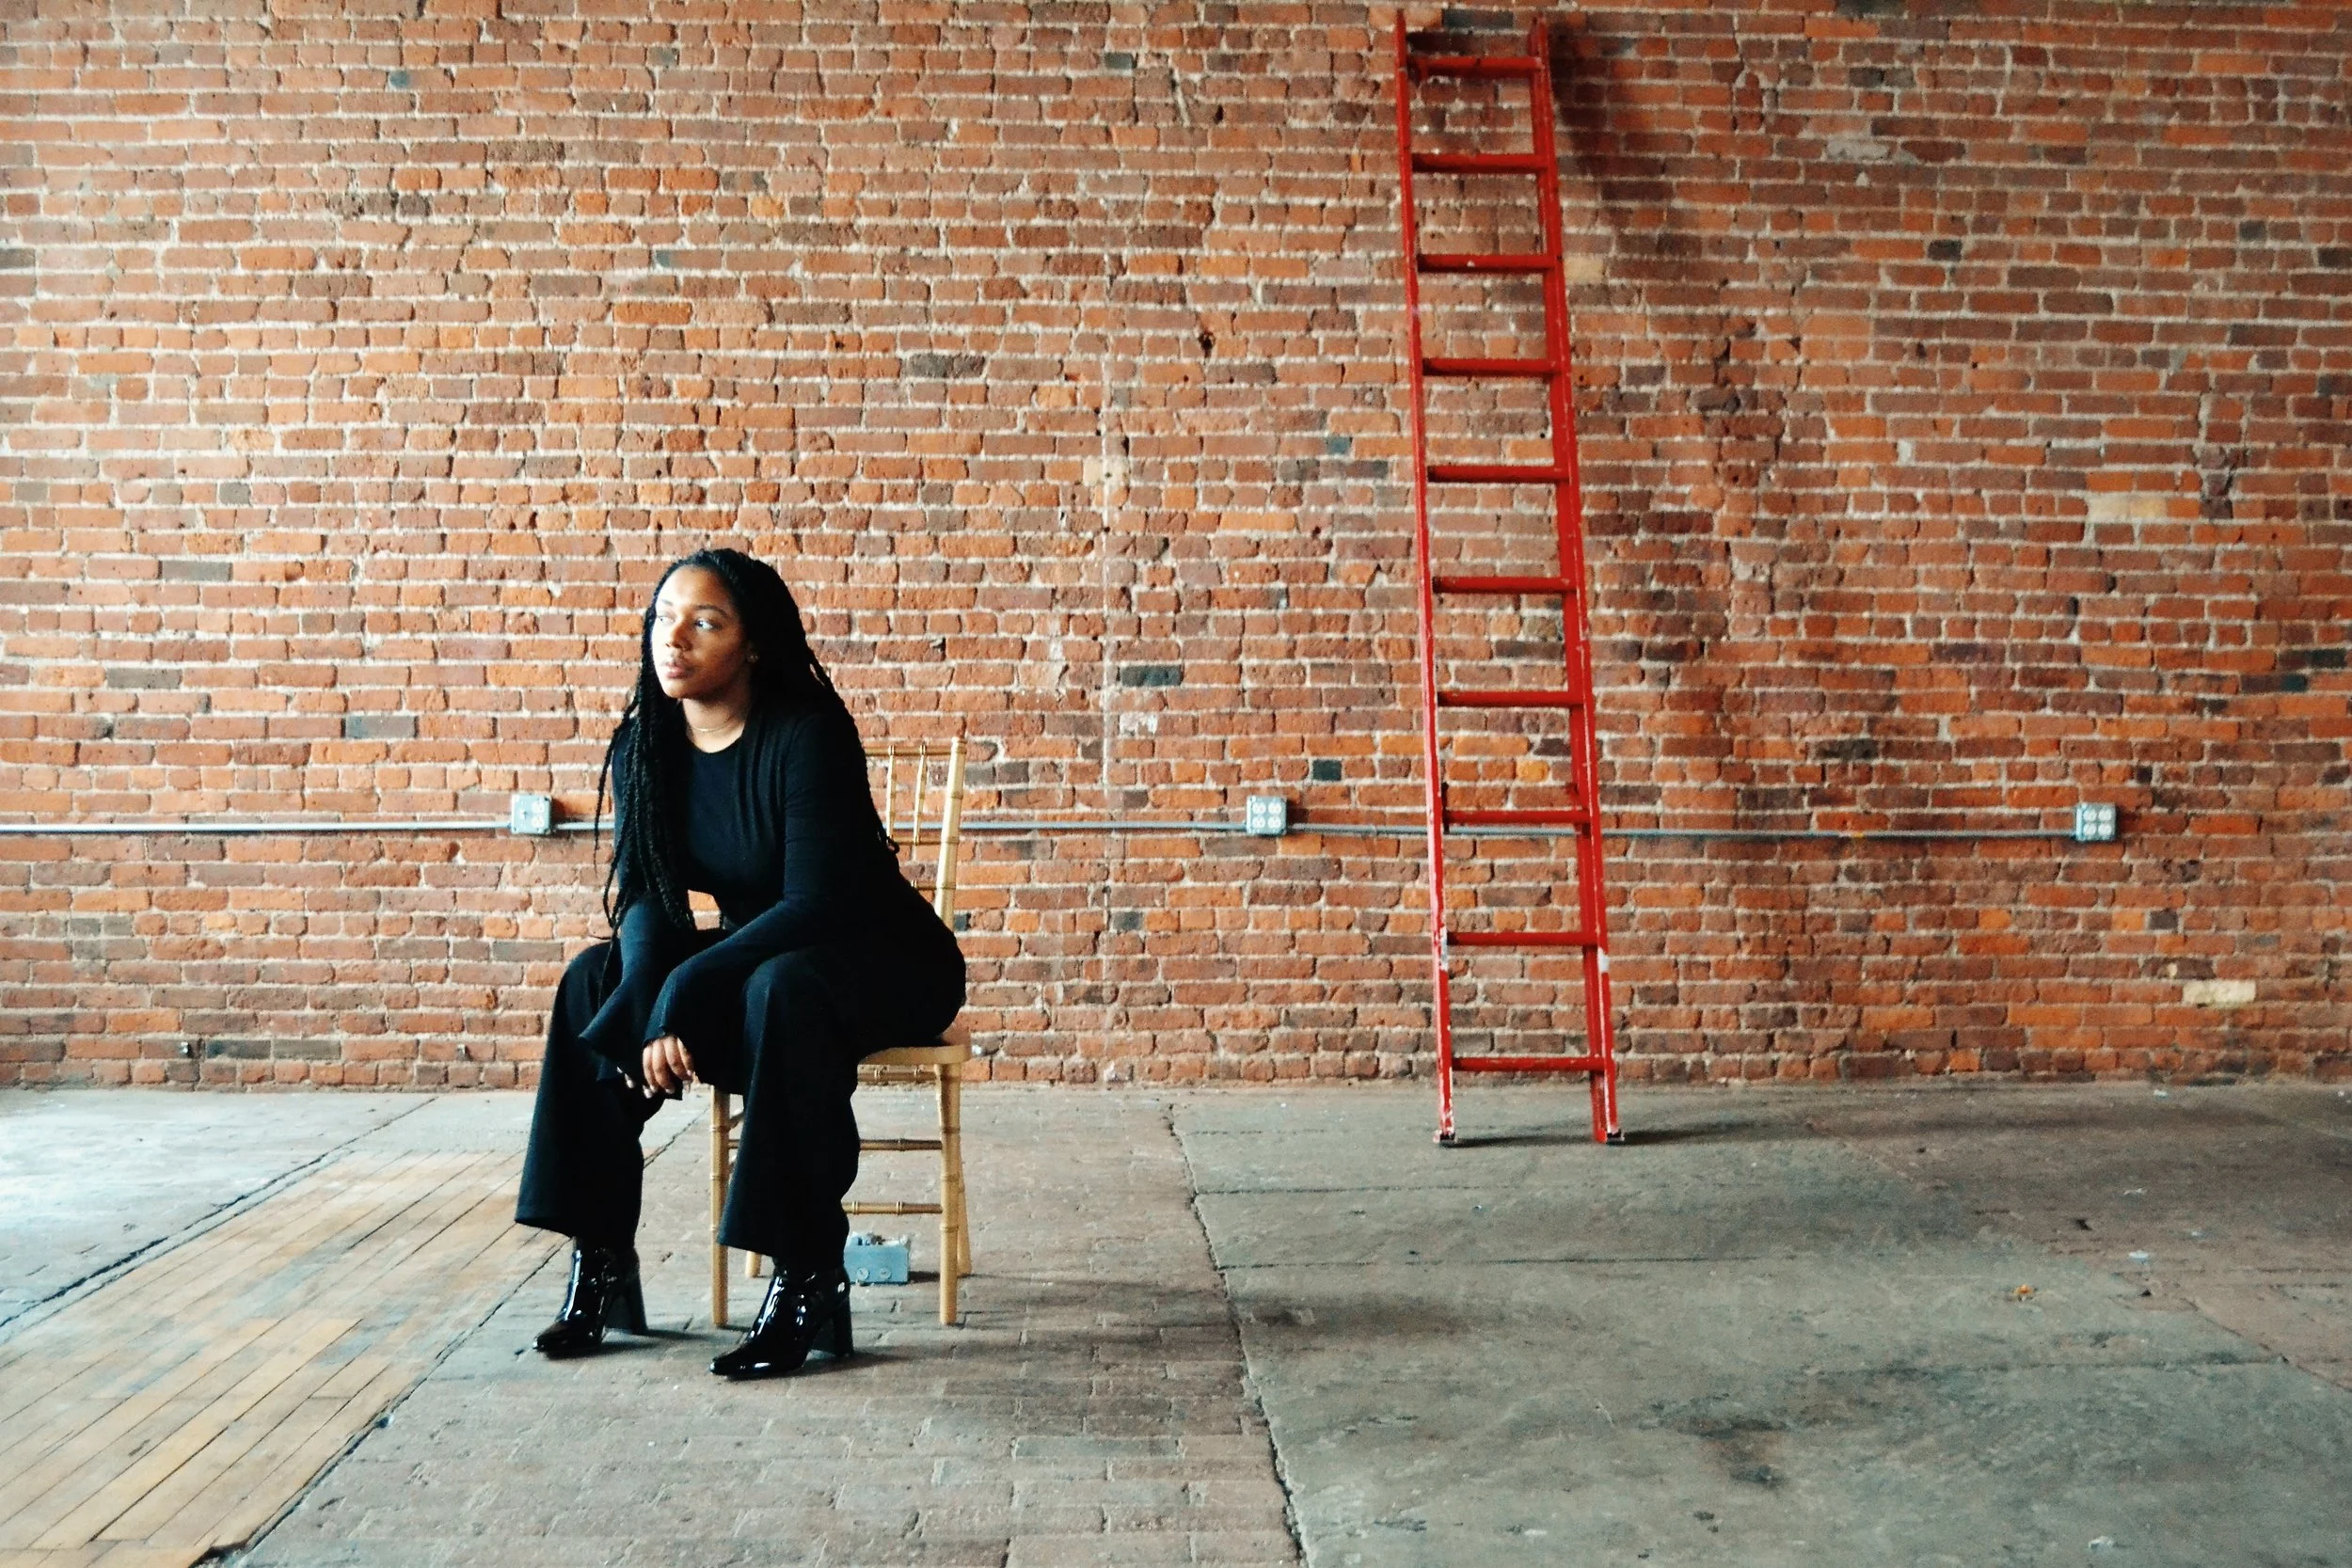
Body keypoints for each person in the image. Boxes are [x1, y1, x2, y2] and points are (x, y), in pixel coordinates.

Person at [516, 547, 965, 1380]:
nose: (673, 638)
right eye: (663, 618)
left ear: (753, 644)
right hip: (766, 965)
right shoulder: (646, 742)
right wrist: (651, 1006)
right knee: (594, 977)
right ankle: (602, 1259)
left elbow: (817, 905)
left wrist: (686, 987)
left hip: (882, 956)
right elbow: (649, 894)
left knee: (778, 984)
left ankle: (808, 1276)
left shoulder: (807, 735)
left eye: (705, 622)